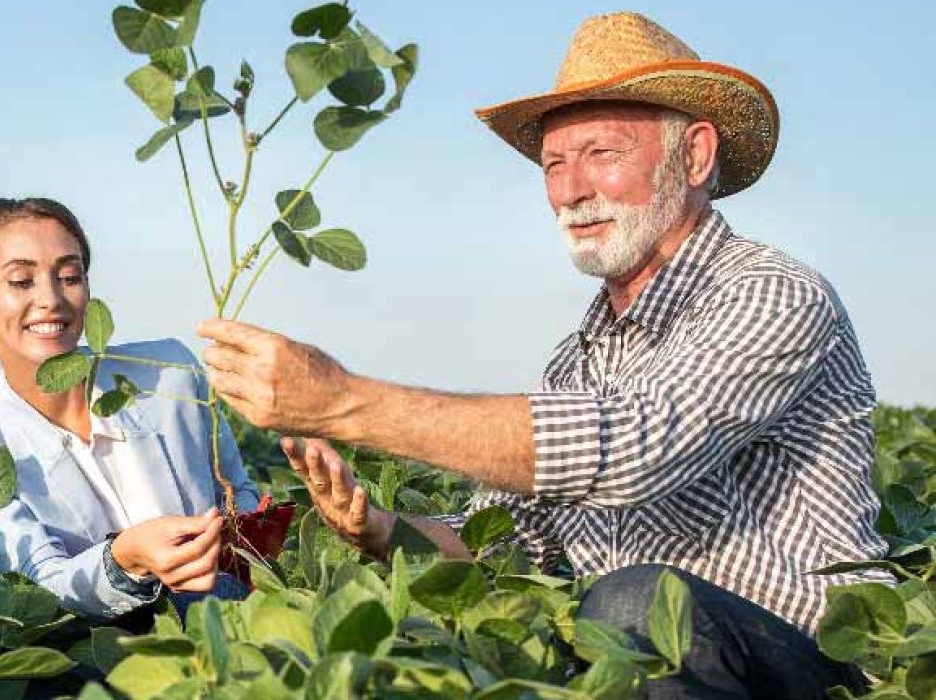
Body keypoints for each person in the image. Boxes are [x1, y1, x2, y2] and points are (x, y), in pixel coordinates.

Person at [197, 13, 878, 697]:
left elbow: (637, 444)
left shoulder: (772, 293)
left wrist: (341, 401)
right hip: (638, 668)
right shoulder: (574, 362)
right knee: (554, 632)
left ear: (695, 156)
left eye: (601, 154)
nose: (571, 190)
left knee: (631, 604)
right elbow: (509, 546)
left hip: (812, 663)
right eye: (555, 163)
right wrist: (378, 528)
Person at [0, 197, 271, 622]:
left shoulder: (170, 372)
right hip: (93, 659)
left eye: (69, 276)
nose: (50, 299)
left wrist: (256, 531)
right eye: (21, 281)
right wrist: (124, 560)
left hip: (229, 619)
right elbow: (39, 583)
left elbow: (237, 492)